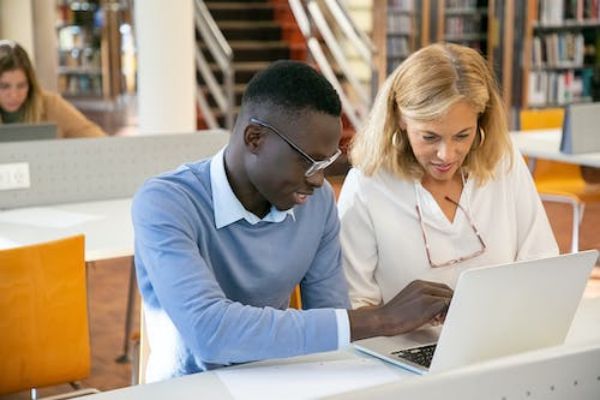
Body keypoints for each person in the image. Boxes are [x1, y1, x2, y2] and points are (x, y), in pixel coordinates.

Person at [132, 60, 453, 382]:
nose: (318, 180)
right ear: (255, 138)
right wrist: (381, 319)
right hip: (189, 388)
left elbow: (331, 319)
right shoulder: (165, 203)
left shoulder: (317, 202)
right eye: (307, 161)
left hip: (279, 380)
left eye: (325, 164)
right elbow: (210, 333)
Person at [337, 43, 559, 309]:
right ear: (400, 118)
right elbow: (355, 305)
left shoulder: (503, 160)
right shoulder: (366, 186)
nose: (446, 155)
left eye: (462, 135)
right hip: (408, 336)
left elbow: (541, 261)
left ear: (481, 120)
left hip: (505, 330)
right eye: (430, 137)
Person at [0, 40, 105, 137]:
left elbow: (95, 136)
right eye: (4, 86)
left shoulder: (50, 104)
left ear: (31, 84)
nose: (14, 95)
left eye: (21, 86)